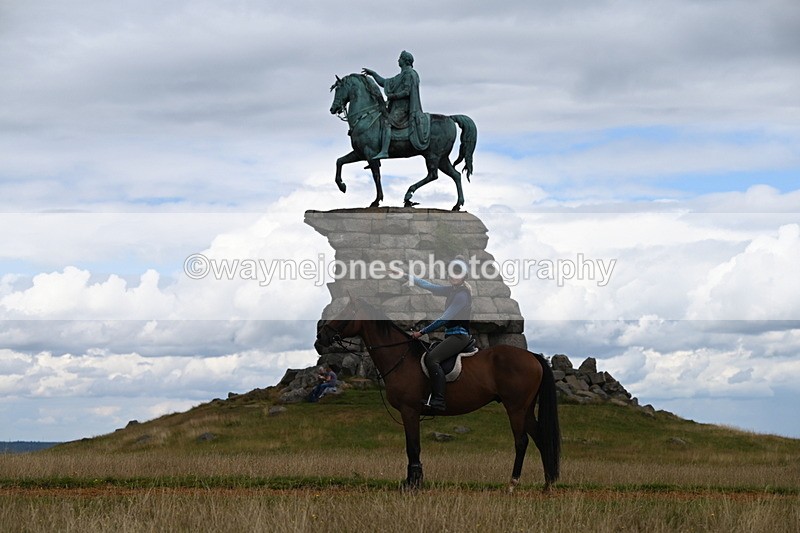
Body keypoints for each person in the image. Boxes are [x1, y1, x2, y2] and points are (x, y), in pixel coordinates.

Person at [405, 256, 473, 412]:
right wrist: (403, 274)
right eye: (451, 272)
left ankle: (439, 401)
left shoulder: (462, 295)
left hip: (459, 336)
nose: (453, 275)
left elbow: (444, 319)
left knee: (432, 358)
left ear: (463, 275)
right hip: (451, 336)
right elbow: (427, 285)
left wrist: (421, 332)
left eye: (457, 272)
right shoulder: (451, 290)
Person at [362, 50, 430, 159]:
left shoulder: (410, 74)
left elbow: (407, 92)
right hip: (396, 107)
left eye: (400, 58)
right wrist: (373, 74)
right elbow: (384, 83)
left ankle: (384, 151)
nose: (398, 60)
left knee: (386, 123)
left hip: (404, 108)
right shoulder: (401, 75)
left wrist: (394, 96)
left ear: (405, 60)